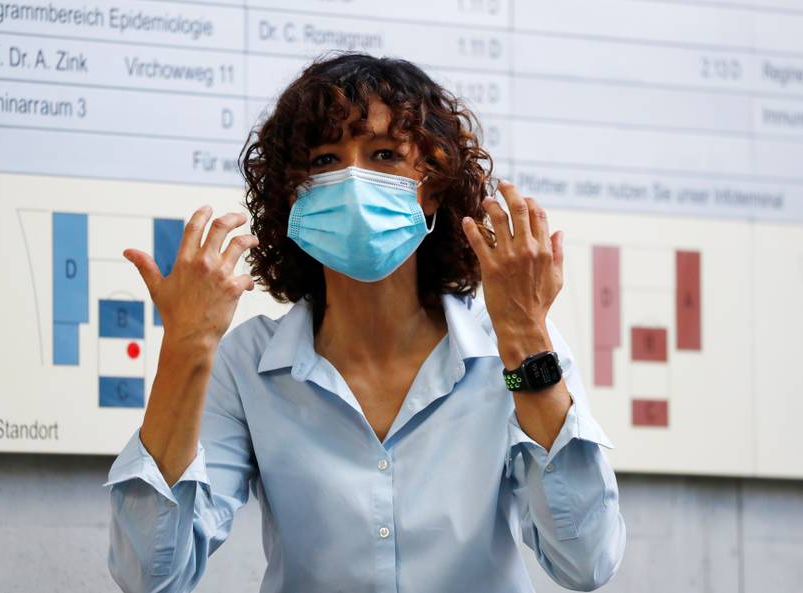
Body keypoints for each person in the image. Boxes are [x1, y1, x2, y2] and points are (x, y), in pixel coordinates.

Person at [104, 51, 626, 593]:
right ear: (292, 192)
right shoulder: (249, 364)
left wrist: (523, 337)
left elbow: (585, 560)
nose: (354, 181)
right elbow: (151, 575)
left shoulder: (510, 351)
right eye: (325, 161)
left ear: (432, 183)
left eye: (384, 155)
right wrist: (186, 348)